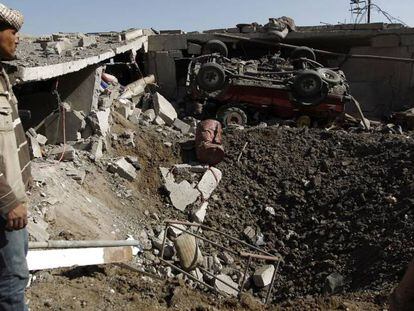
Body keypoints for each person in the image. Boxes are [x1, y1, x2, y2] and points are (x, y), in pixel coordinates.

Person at [0, 3, 32, 310]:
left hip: (11, 203)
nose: (18, 38)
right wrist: (9, 202)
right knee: (11, 283)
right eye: (13, 31)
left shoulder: (2, 77)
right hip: (4, 207)